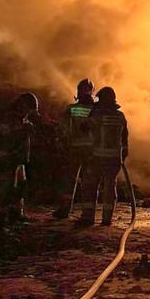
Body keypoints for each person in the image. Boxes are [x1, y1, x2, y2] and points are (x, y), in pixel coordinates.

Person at [77, 86, 129, 227]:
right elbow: (125, 138)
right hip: (114, 159)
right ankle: (107, 219)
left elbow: (84, 127)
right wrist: (123, 155)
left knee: (89, 185)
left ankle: (88, 217)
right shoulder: (120, 116)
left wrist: (91, 111)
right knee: (110, 187)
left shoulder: (97, 116)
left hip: (97, 157)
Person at [0, 92, 39, 227]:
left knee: (20, 185)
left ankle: (16, 214)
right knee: (6, 186)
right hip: (9, 158)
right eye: (29, 109)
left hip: (19, 159)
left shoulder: (23, 120)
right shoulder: (10, 118)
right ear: (23, 105)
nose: (29, 113)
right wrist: (24, 130)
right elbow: (6, 137)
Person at [54, 78, 96, 219]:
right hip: (91, 151)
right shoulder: (96, 110)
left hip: (74, 149)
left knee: (70, 180)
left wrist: (62, 143)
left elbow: (63, 128)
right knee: (88, 181)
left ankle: (65, 210)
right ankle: (88, 214)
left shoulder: (71, 109)